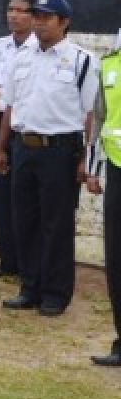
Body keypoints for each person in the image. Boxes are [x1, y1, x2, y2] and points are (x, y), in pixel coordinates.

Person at [0, 0, 96, 317]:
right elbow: (10, 105)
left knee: (56, 224)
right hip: (24, 146)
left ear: (64, 22)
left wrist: (86, 158)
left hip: (60, 151)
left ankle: (55, 292)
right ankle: (30, 287)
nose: (39, 21)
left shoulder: (82, 60)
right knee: (24, 221)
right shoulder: (20, 58)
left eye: (46, 17)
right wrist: (0, 146)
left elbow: (92, 113)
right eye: (36, 15)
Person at [0, 0, 38, 278]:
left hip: (24, 127)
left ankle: (27, 261)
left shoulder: (38, 48)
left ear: (34, 16)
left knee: (25, 200)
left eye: (21, 11)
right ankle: (8, 260)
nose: (14, 15)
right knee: (2, 197)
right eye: (10, 9)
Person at [89, 33, 121, 366]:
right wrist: (94, 169)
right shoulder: (110, 63)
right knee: (116, 261)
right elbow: (100, 119)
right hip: (117, 170)